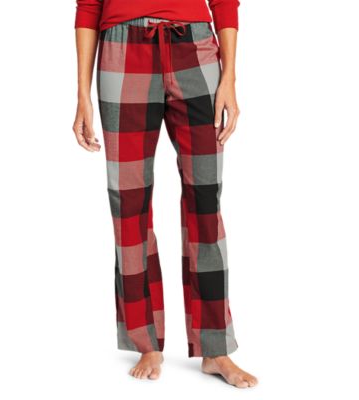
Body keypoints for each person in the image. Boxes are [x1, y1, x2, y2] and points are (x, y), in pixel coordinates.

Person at [72, 0, 258, 388]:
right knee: (129, 203)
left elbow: (224, 1)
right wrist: (82, 95)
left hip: (195, 48)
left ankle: (215, 348)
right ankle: (146, 342)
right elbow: (88, 6)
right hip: (122, 50)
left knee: (205, 200)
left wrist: (229, 78)